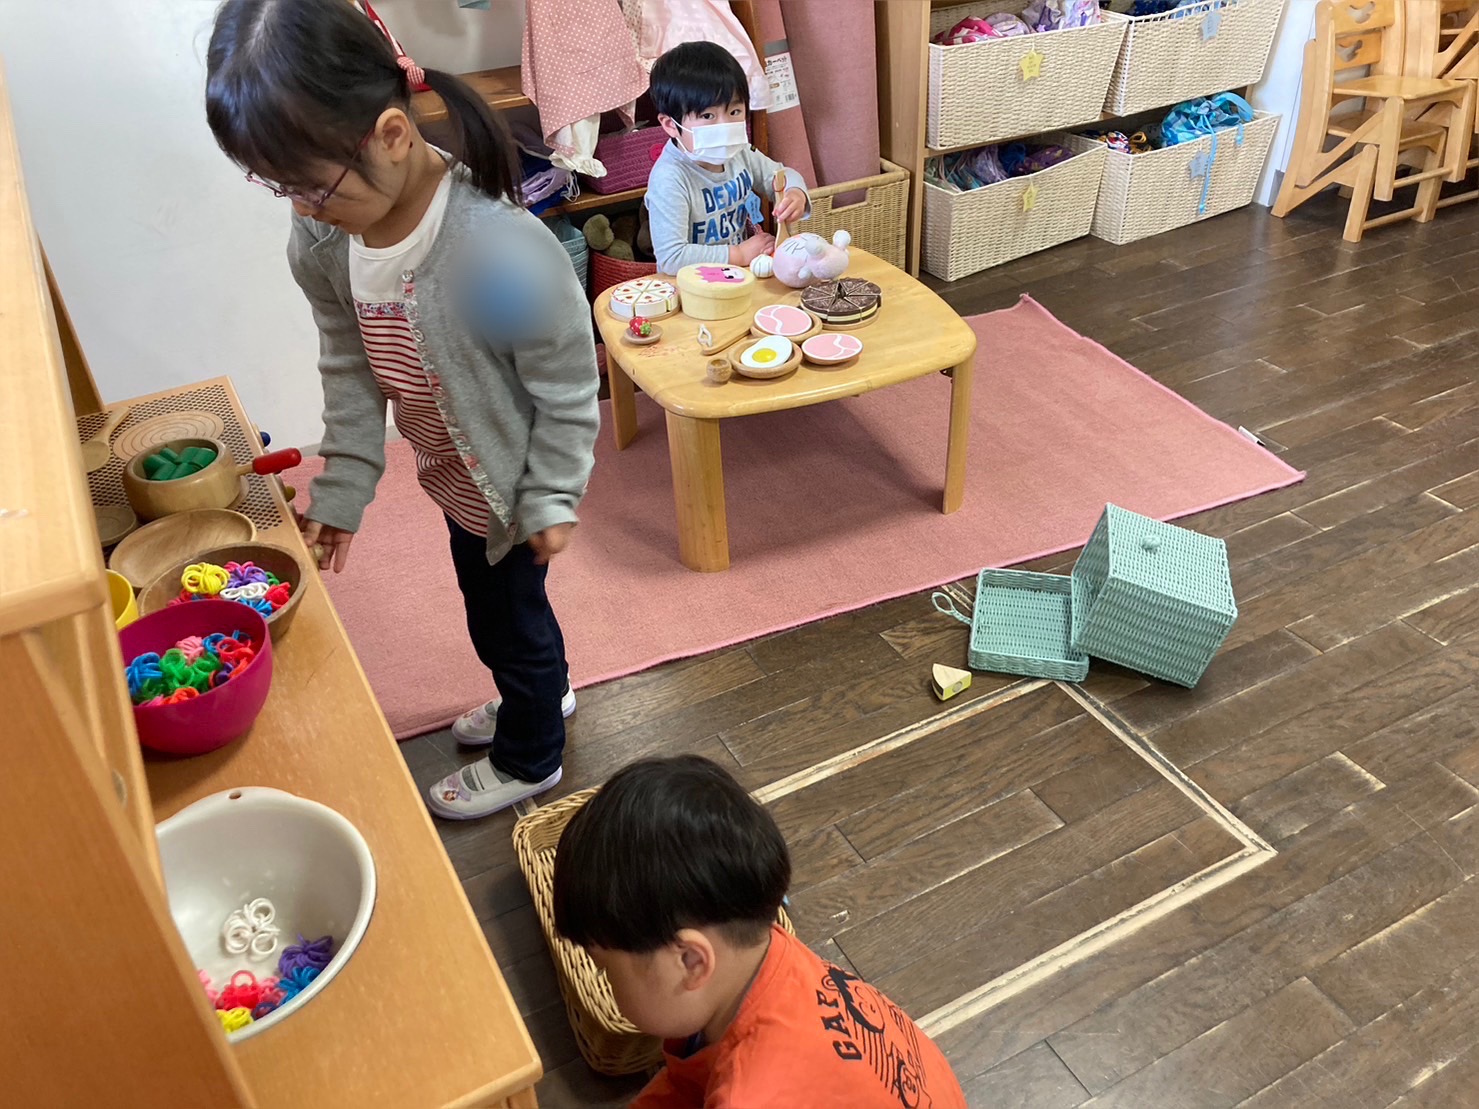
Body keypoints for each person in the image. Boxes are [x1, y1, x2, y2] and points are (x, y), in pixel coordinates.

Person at [205, 0, 598, 820]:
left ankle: (532, 753)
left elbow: (564, 384)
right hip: (451, 474)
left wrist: (552, 492)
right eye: (277, 185)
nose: (300, 206)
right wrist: (344, 488)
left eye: (311, 184)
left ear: (390, 134)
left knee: (506, 624)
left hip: (511, 488)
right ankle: (542, 694)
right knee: (509, 618)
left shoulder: (496, 253)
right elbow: (348, 365)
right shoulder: (324, 241)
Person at [552, 756, 967, 1108]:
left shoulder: (750, 1095)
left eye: (606, 969)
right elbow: (687, 1082)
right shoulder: (770, 957)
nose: (606, 984)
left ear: (690, 961)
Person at [645, 41, 812, 276]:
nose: (724, 126)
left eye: (734, 112)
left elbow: (780, 176)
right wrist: (738, 254)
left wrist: (795, 194)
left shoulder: (739, 152)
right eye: (707, 116)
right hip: (693, 285)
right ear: (671, 125)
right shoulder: (669, 178)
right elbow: (672, 257)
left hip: (738, 276)